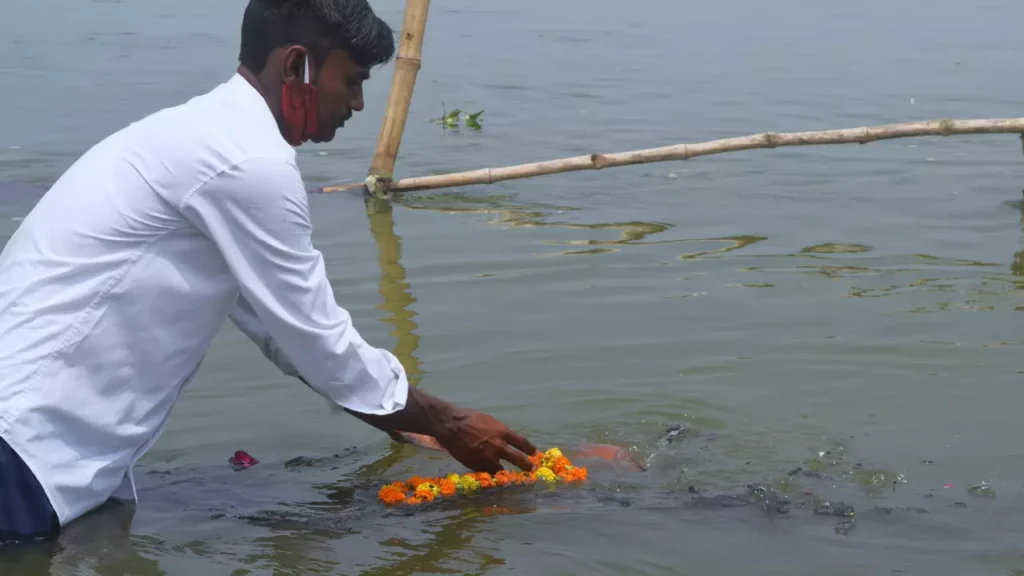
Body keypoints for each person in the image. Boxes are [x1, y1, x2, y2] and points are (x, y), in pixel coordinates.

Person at [0, 0, 537, 545]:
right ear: (295, 66)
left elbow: (282, 334)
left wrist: (403, 417)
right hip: (22, 445)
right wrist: (450, 423)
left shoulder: (200, 134)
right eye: (352, 81)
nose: (357, 104)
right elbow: (317, 339)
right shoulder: (250, 164)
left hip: (41, 445)